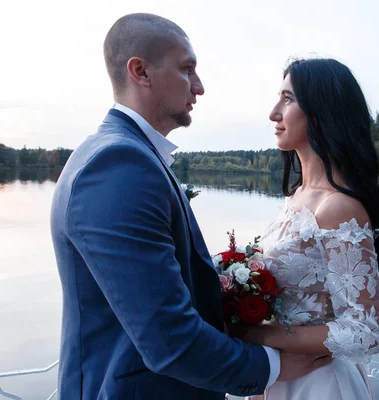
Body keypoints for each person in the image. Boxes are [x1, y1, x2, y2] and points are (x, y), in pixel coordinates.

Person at [50, 13, 329, 400]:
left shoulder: (125, 156)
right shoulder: (117, 165)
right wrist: (273, 366)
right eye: (187, 69)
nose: (199, 87)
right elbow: (169, 339)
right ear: (141, 72)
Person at [234, 58, 379, 399]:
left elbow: (366, 332)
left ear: (321, 112)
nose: (274, 112)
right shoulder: (297, 196)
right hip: (279, 375)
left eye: (288, 99)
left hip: (317, 383)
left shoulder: (337, 207)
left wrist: (258, 335)